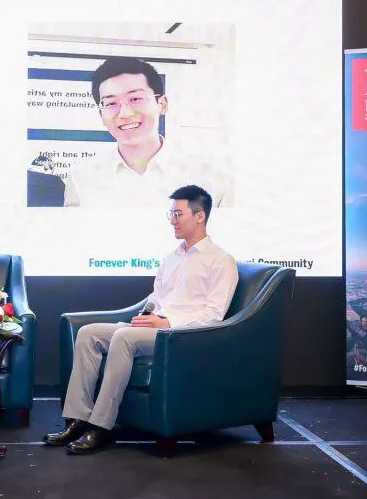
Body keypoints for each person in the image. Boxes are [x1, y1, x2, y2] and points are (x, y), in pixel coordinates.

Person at [44, 185, 238, 454]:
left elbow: (214, 314)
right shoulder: (172, 258)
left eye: (178, 214)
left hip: (181, 336)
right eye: (170, 214)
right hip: (154, 328)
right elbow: (158, 297)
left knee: (124, 338)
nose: (172, 220)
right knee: (89, 333)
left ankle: (101, 427)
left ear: (200, 216)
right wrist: (147, 315)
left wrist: (168, 323)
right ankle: (78, 418)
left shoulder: (221, 260)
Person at [62, 56, 228, 208]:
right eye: (111, 103)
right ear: (101, 115)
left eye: (135, 99)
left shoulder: (208, 177)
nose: (125, 113)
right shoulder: (82, 177)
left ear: (162, 104)